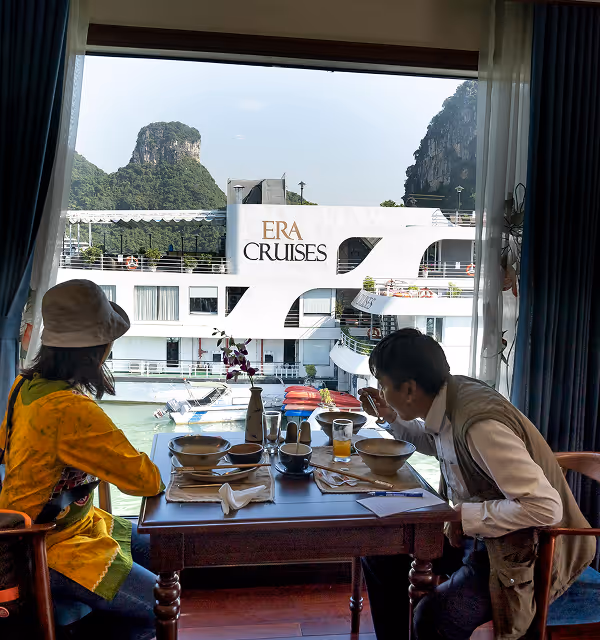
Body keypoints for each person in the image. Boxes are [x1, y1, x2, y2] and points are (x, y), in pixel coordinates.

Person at [359, 328, 595, 640]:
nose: (380, 392)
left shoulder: (480, 425)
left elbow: (545, 508)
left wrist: (463, 516)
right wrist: (390, 416)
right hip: (478, 534)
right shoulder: (446, 396)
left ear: (410, 389)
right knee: (380, 553)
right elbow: (437, 443)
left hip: (522, 550)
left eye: (384, 386)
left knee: (432, 617)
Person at [0, 280, 164, 640]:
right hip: (48, 547)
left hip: (62, 531)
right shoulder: (71, 409)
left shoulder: (24, 386)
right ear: (97, 350)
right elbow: (146, 481)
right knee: (163, 603)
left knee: (164, 549)